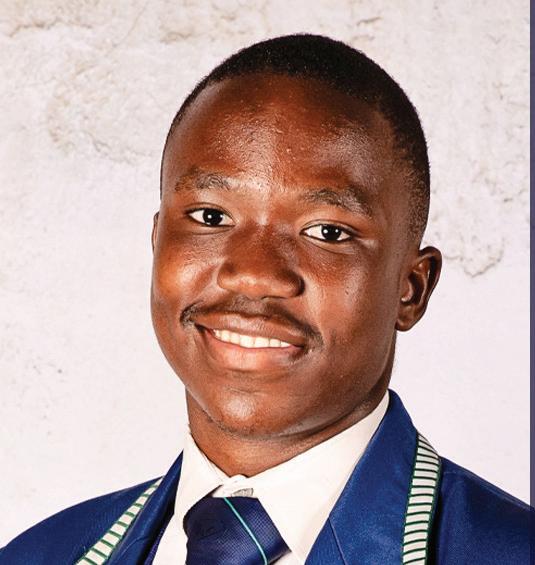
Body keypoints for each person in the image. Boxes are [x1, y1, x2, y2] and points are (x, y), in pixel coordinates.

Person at [1, 34, 529, 565]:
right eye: (211, 217)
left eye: (327, 232)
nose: (252, 275)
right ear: (157, 242)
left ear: (411, 288)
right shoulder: (38, 555)